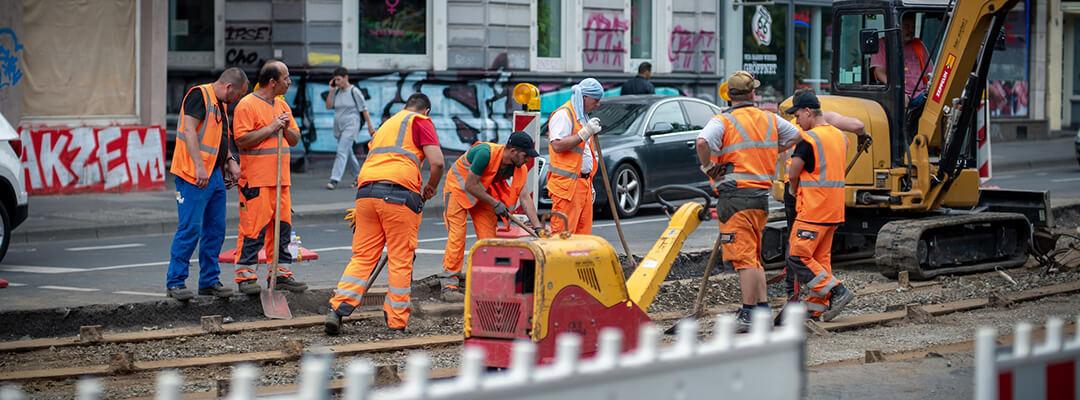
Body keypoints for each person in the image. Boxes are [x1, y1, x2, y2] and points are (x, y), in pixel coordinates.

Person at [325, 93, 444, 335]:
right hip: (399, 195)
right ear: (426, 110)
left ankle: (337, 310)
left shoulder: (385, 125)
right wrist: (430, 187)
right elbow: (438, 162)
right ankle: (396, 322)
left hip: (366, 193)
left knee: (362, 257)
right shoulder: (420, 121)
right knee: (400, 259)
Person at [694, 71, 802, 333]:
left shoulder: (723, 121)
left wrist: (709, 167)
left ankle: (748, 312)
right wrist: (770, 152)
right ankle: (762, 310)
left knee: (743, 259)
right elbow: (797, 136)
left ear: (729, 95)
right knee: (753, 257)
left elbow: (701, 142)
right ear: (753, 94)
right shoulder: (769, 119)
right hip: (759, 198)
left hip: (735, 197)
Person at [777, 89, 870, 300]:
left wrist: (792, 189)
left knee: (797, 255)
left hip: (812, 206)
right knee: (820, 258)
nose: (797, 120)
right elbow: (857, 127)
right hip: (834, 208)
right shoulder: (840, 136)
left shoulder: (807, 138)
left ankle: (836, 291)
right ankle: (818, 307)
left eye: (798, 115)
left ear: (808, 111)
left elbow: (794, 172)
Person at [166, 68, 249, 301]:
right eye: (238, 96)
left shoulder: (220, 104)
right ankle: (175, 282)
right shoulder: (199, 95)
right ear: (229, 87)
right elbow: (188, 131)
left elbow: (221, 139)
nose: (237, 102)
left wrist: (231, 161)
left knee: (215, 229)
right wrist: (199, 166)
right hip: (194, 174)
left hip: (213, 174)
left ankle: (209, 281)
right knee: (190, 228)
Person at [231, 60, 308, 295]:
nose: (290, 82)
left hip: (281, 181)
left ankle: (281, 273)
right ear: (272, 82)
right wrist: (271, 126)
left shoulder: (283, 106)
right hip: (256, 180)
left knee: (282, 229)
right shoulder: (247, 105)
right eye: (286, 78)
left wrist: (283, 128)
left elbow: (294, 139)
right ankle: (245, 276)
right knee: (253, 229)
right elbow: (241, 140)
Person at [438, 131, 544, 301]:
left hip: (482, 192)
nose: (527, 160)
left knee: (488, 239)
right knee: (457, 236)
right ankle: (449, 284)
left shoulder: (519, 168)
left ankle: (485, 280)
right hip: (457, 189)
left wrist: (538, 227)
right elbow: (471, 185)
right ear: (513, 151)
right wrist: (495, 204)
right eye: (525, 155)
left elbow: (525, 198)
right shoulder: (485, 153)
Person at [547, 78, 604, 235]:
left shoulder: (582, 117)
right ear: (585, 97)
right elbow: (557, 145)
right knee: (563, 237)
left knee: (582, 237)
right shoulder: (564, 115)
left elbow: (584, 153)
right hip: (567, 188)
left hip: (582, 185)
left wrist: (589, 183)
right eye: (596, 100)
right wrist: (585, 133)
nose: (598, 104)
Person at [325, 67, 376, 190]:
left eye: (339, 79)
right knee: (348, 152)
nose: (337, 82)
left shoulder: (354, 91)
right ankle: (359, 177)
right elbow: (328, 106)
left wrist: (370, 126)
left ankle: (334, 179)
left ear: (346, 77)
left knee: (341, 151)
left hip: (352, 125)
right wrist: (331, 91)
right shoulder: (337, 92)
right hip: (339, 127)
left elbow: (364, 109)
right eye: (335, 80)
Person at [871, 13, 933, 98]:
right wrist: (898, 93)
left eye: (913, 27)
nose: (911, 30)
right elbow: (879, 72)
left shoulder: (918, 45)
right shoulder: (883, 45)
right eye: (907, 26)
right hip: (896, 96)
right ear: (897, 26)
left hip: (920, 95)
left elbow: (931, 72)